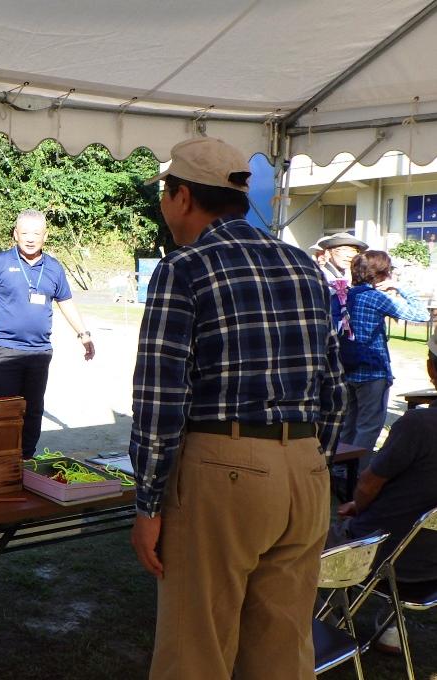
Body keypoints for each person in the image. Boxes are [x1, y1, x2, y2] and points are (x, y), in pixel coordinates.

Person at [129, 137, 346, 680]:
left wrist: (148, 503)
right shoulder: (304, 266)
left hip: (224, 469)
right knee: (282, 647)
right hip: (306, 468)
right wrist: (311, 458)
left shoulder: (184, 267)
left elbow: (159, 398)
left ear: (181, 197)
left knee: (194, 650)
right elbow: (333, 387)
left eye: (165, 195)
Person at [0, 209, 94, 459]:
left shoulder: (53, 268)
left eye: (36, 233)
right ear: (15, 234)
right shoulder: (0, 262)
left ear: (45, 236)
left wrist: (84, 334)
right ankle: (1, 460)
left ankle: (26, 459)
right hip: (3, 349)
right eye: (25, 232)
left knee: (33, 410)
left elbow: (66, 302)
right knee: (2, 409)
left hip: (39, 352)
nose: (30, 238)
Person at [328, 404, 437, 653]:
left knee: (294, 544)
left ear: (432, 371)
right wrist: (361, 504)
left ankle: (326, 627)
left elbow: (368, 483)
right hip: (427, 565)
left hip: (384, 560)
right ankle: (391, 628)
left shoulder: (418, 424)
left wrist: (361, 504)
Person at [333, 250, 427, 455]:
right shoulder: (375, 298)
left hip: (345, 369)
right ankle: (359, 476)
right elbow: (421, 314)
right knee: (368, 427)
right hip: (372, 371)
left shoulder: (341, 296)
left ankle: (340, 473)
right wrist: (400, 287)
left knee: (348, 426)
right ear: (382, 273)